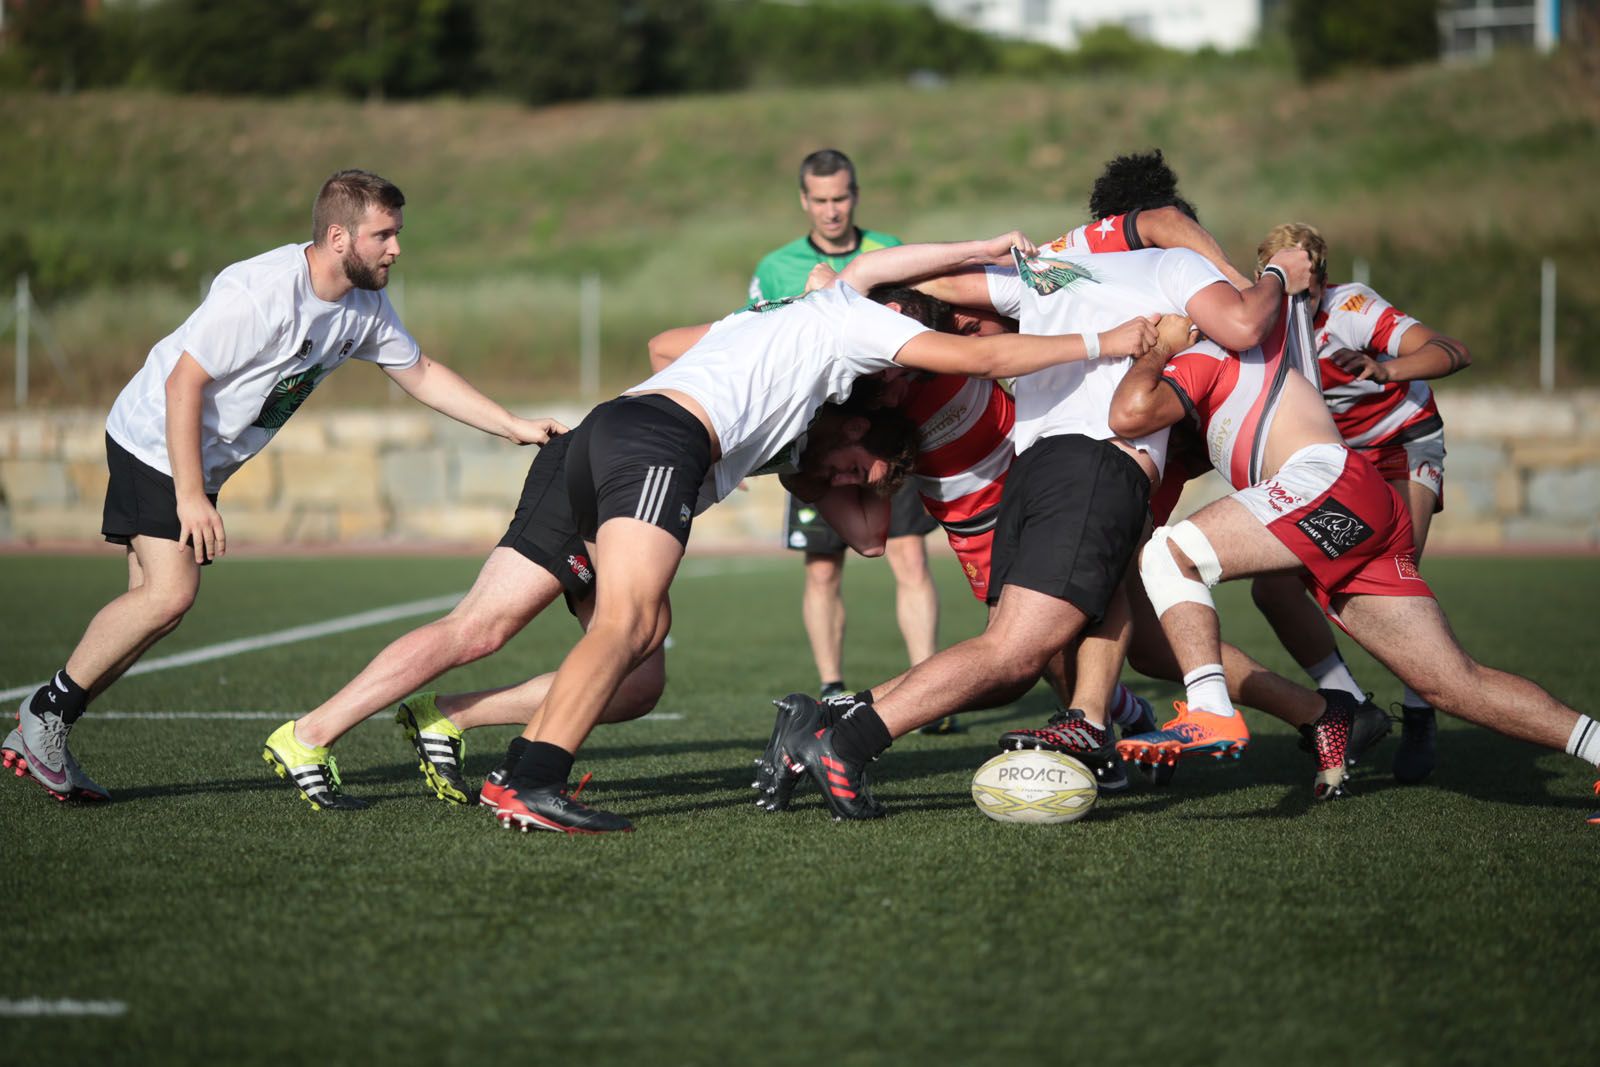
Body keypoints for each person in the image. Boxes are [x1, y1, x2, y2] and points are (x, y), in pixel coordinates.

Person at [489, 232, 1163, 834]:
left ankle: (518, 772)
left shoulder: (817, 311)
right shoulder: (858, 324)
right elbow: (981, 356)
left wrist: (980, 248)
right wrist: (1107, 341)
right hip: (663, 437)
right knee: (629, 624)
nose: (903, 370)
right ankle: (535, 781)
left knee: (634, 626)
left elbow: (880, 272)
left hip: (616, 428)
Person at [2, 169, 564, 804]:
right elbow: (183, 383)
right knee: (169, 593)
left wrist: (512, 426)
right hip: (155, 439)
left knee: (152, 610)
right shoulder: (262, 292)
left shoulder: (364, 307)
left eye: (397, 234)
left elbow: (422, 372)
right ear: (338, 237)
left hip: (195, 460)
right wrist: (190, 495)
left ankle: (49, 727)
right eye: (383, 235)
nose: (397, 248)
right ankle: (44, 714)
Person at [760, 225, 1315, 820]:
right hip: (1032, 490)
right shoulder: (871, 372)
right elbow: (870, 530)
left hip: (1063, 473)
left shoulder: (1003, 306)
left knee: (1083, 647)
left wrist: (1225, 274)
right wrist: (801, 463)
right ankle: (1101, 723)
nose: (896, 381)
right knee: (1024, 659)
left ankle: (1120, 724)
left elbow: (1150, 225)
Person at [259, 400, 914, 811]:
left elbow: (869, 539)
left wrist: (876, 470)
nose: (848, 482)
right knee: (480, 627)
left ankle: (449, 715)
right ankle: (307, 736)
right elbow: (669, 348)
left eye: (859, 481)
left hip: (630, 494)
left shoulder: (810, 457)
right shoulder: (800, 391)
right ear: (854, 419)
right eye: (857, 468)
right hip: (605, 470)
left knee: (636, 684)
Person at [1105, 290, 1600, 825]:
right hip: (1357, 504)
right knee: (1454, 684)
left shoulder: (1205, 353)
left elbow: (1129, 412)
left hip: (1330, 481)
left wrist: (1160, 349)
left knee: (1170, 554)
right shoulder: (1205, 400)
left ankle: (1210, 709)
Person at [1245, 223, 1471, 784]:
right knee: (1273, 587)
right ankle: (1349, 704)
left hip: (1399, 444)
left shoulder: (1352, 309)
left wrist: (1386, 369)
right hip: (1332, 460)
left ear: (1322, 281)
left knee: (1397, 577)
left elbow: (1452, 351)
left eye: (1305, 291)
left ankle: (1419, 711)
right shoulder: (1252, 318)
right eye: (1281, 287)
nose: (1294, 304)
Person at [750, 149, 943, 724]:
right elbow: (759, 344)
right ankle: (832, 686)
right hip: (817, 442)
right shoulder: (776, 266)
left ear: (854, 195)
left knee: (909, 557)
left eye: (840, 198)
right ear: (804, 201)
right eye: (820, 200)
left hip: (881, 440)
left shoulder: (888, 249)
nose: (831, 210)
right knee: (822, 566)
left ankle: (930, 688)